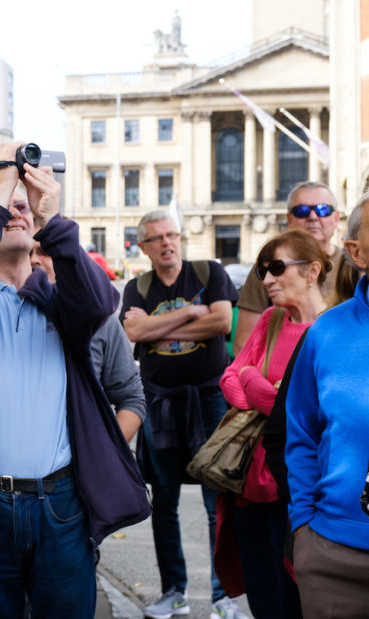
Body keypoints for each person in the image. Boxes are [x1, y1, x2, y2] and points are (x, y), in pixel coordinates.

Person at [0, 143, 150, 619]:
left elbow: (100, 301)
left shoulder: (61, 303)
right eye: (0, 207)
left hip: (61, 506)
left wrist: (52, 219)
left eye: (21, 206)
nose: (13, 210)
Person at [120, 210, 241, 619]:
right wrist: (192, 314)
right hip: (160, 403)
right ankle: (174, 590)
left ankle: (222, 596)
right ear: (144, 247)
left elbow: (223, 321)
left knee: (215, 503)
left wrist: (159, 326)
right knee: (165, 501)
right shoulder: (137, 287)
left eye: (172, 235)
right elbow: (133, 333)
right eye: (157, 238)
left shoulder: (209, 273)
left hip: (209, 402)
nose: (168, 243)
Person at [218, 230, 329, 618]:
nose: (266, 280)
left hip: (300, 488)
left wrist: (253, 379)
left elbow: (305, 413)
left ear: (313, 270)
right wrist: (260, 383)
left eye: (277, 268)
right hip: (250, 481)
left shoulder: (333, 328)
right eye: (264, 270)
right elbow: (229, 378)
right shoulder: (271, 318)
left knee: (296, 595)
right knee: (261, 591)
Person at [286, 191, 369, 619]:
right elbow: (299, 435)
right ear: (356, 252)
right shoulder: (326, 332)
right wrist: (304, 528)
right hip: (333, 557)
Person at [29, 243, 145, 441]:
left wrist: (106, 454)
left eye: (45, 251)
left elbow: (132, 399)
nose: (33, 260)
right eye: (26, 252)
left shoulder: (100, 319)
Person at [234, 182, 342, 355]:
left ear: (336, 218)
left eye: (323, 210)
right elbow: (243, 346)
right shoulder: (267, 268)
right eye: (302, 211)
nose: (313, 217)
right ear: (289, 219)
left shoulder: (354, 267)